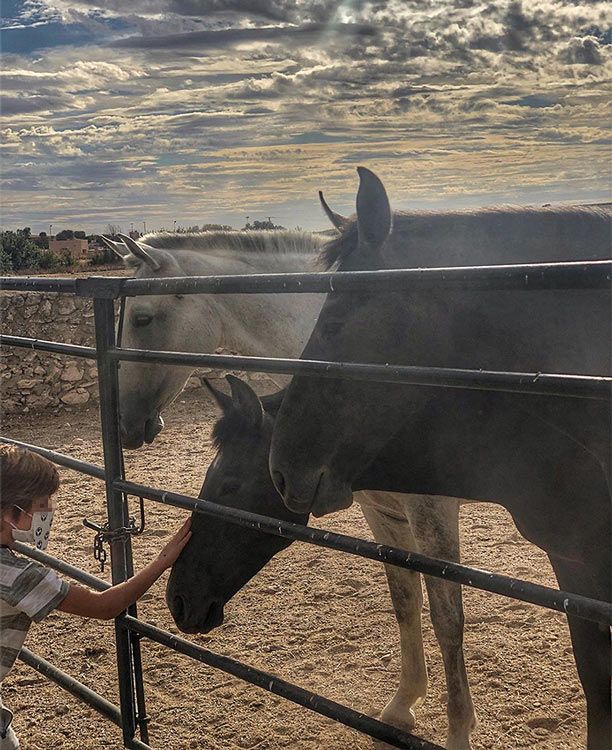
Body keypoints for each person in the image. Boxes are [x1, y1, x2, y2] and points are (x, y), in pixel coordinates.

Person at [0, 443, 191, 749]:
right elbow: (106, 606)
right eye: (42, 503)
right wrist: (162, 560)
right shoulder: (20, 576)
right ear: (13, 512)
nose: (49, 511)